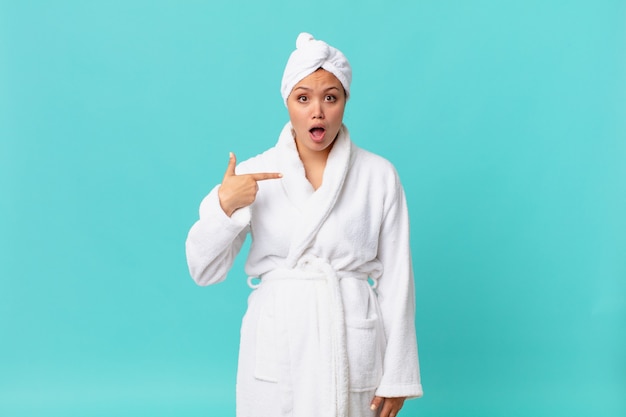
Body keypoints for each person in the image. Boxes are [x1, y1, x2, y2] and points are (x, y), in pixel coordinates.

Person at [185, 32, 422, 417]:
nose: (318, 111)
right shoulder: (253, 174)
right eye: (303, 98)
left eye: (331, 97)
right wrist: (224, 206)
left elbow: (398, 282)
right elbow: (203, 270)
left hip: (350, 338)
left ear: (345, 101)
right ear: (287, 103)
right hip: (279, 340)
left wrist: (397, 376)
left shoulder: (378, 175)